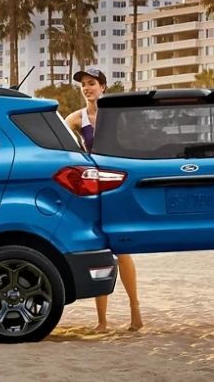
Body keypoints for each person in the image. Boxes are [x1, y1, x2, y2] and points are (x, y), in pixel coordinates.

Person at [64, 68, 143, 332]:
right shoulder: (75, 119)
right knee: (99, 254)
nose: (87, 88)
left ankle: (135, 312)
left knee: (123, 252)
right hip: (92, 193)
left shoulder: (117, 118)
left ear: (103, 87)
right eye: (84, 85)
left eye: (92, 84)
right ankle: (102, 321)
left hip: (116, 189)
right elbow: (64, 150)